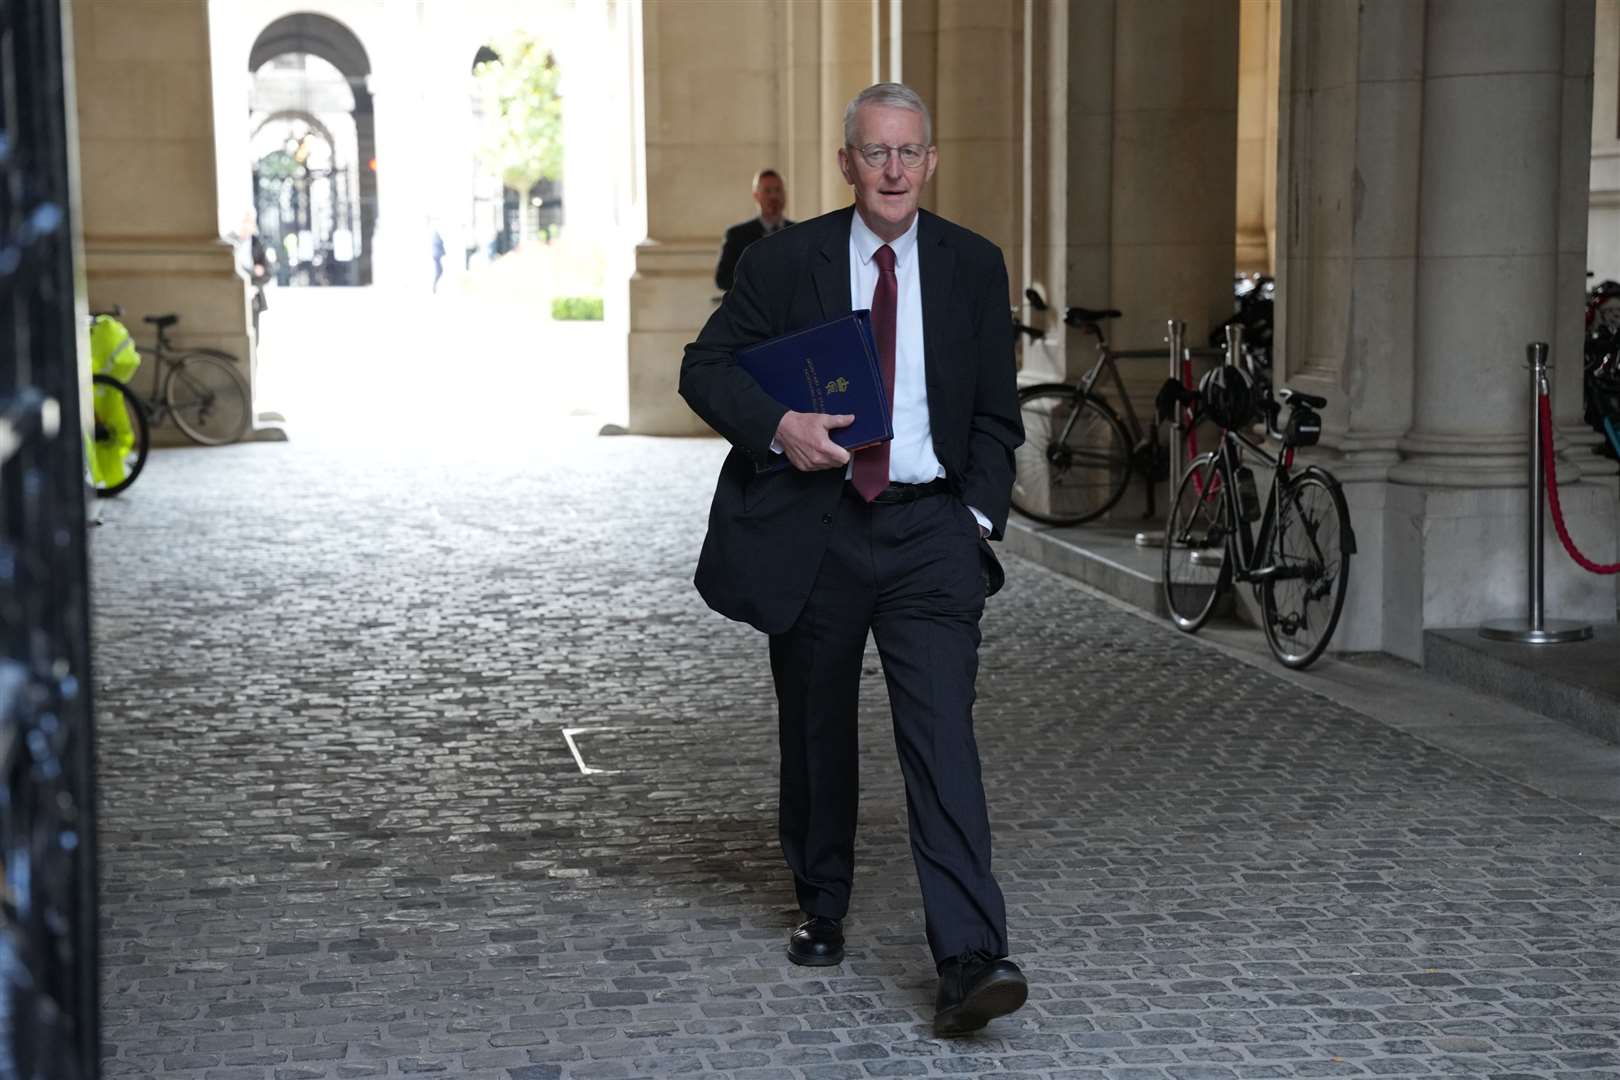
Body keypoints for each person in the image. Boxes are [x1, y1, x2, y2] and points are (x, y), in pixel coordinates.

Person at [679, 82, 1027, 1037]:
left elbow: (998, 416)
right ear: (846, 163)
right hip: (817, 528)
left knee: (942, 739)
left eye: (910, 152)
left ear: (932, 160)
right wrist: (778, 425)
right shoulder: (784, 262)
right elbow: (703, 368)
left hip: (929, 534)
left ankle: (969, 957)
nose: (894, 170)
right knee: (817, 729)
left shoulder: (971, 266)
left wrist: (977, 522)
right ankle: (821, 902)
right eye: (876, 152)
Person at [714, 168, 793, 293]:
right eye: (767, 191)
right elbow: (722, 279)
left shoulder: (799, 231)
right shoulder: (736, 235)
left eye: (778, 190)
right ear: (756, 196)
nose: (774, 196)